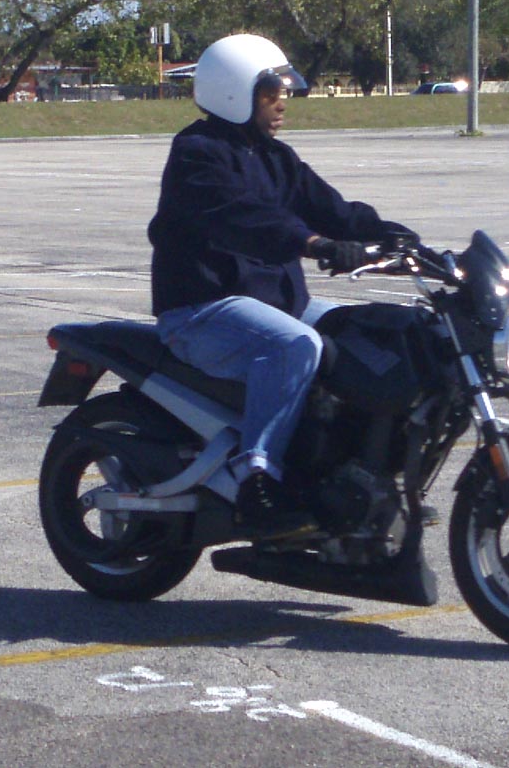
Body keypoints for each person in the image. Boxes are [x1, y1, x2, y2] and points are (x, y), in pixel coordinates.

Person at [147, 33, 409, 539]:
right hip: (202, 310)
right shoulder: (197, 155)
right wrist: (314, 243)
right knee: (296, 345)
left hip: (274, 305)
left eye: (283, 92)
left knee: (375, 331)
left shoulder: (276, 157)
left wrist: (393, 236)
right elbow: (245, 218)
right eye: (270, 93)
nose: (282, 102)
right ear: (233, 93)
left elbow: (333, 210)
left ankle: (351, 471)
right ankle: (256, 479)